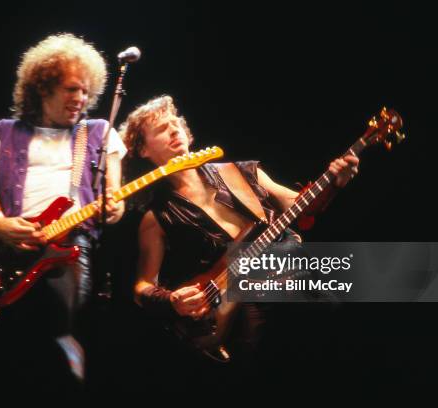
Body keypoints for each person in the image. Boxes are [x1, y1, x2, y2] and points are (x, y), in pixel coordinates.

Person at [119, 95, 359, 389]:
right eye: (161, 129)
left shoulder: (242, 171)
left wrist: (333, 183)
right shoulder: (156, 217)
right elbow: (141, 286)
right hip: (240, 315)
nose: (173, 131)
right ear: (143, 149)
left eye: (175, 124)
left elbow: (300, 205)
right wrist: (171, 300)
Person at [0, 33, 126, 388]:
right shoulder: (3, 132)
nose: (81, 99)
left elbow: (115, 199)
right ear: (43, 87)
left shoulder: (100, 132)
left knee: (56, 326)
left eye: (86, 91)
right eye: (72, 89)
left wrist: (115, 207)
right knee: (11, 341)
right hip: (9, 249)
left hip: (70, 246)